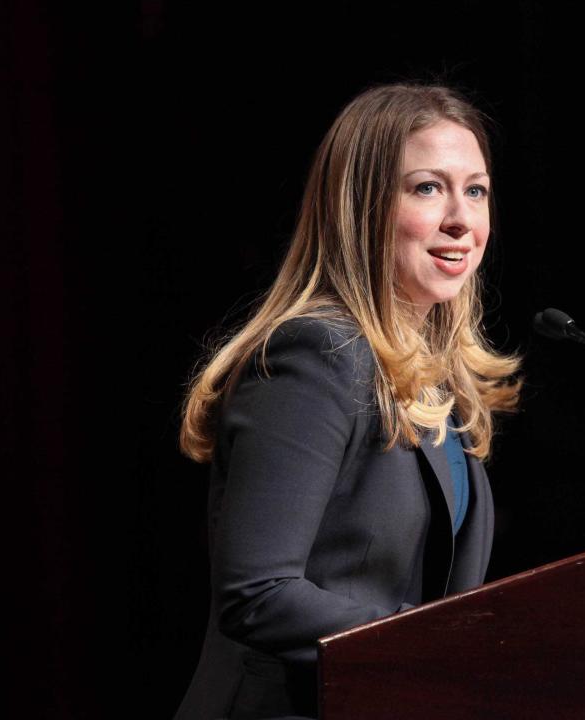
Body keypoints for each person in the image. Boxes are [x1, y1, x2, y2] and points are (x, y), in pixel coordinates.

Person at [172, 81, 523, 720]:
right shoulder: (316, 357)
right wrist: (439, 640)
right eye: (426, 187)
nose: (461, 219)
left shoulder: (429, 377)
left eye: (476, 190)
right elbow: (258, 593)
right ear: (360, 208)